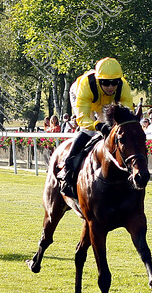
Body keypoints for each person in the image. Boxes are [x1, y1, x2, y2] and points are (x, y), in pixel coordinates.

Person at [56, 57, 134, 198]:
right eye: (105, 83)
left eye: (114, 83)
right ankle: (68, 168)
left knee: (112, 129)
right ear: (99, 81)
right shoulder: (87, 86)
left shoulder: (123, 87)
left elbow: (127, 118)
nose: (110, 87)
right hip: (83, 96)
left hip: (106, 102)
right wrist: (97, 124)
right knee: (90, 130)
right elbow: (82, 119)